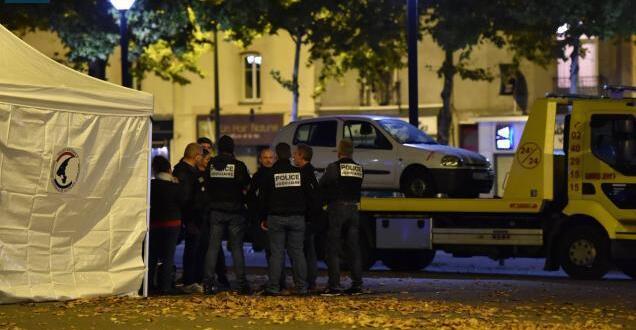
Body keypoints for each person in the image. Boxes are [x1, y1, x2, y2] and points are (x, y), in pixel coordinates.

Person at [260, 143, 313, 296]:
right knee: (297, 253)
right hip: (297, 218)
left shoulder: (271, 174)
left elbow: (264, 198)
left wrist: (263, 218)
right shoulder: (299, 173)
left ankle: (274, 287)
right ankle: (302, 287)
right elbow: (308, 196)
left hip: (276, 218)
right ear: (289, 155)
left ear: (276, 156)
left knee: (277, 254)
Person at [203, 135, 252, 295]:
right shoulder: (239, 166)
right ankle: (241, 284)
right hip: (235, 211)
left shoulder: (211, 165)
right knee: (237, 248)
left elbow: (207, 185)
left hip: (216, 210)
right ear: (232, 148)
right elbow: (246, 185)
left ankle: (208, 284)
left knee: (213, 248)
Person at [319, 139, 365, 295]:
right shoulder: (359, 169)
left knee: (333, 249)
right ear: (352, 152)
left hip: (337, 209)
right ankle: (357, 284)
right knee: (353, 249)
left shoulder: (333, 167)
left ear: (339, 152)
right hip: (354, 209)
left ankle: (334, 286)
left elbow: (322, 184)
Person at [246, 148, 288, 290]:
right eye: (265, 157)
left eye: (271, 157)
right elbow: (252, 198)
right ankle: (276, 280)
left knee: (274, 251)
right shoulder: (258, 176)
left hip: (274, 218)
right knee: (272, 251)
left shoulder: (277, 175)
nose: (268, 160)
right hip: (264, 218)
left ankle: (277, 282)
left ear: (276, 159)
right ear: (260, 159)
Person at [173, 143, 205, 293]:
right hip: (192, 218)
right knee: (192, 250)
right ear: (196, 156)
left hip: (192, 217)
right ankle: (189, 281)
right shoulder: (185, 172)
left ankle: (192, 279)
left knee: (194, 249)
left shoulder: (185, 171)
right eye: (201, 156)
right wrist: (190, 220)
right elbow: (186, 198)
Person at [149, 155, 183, 295]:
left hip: (155, 224)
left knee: (151, 256)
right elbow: (182, 202)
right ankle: (165, 286)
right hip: (173, 222)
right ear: (169, 169)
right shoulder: (175, 186)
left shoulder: (151, 186)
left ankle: (149, 284)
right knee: (169, 256)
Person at [292, 144, 321, 291]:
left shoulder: (303, 174)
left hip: (306, 217)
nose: (293, 156)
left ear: (302, 156)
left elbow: (307, 197)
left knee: (304, 251)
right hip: (313, 217)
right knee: (310, 251)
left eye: (296, 154)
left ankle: (305, 282)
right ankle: (311, 281)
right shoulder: (313, 171)